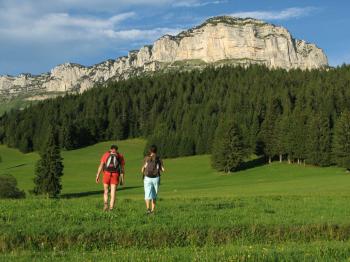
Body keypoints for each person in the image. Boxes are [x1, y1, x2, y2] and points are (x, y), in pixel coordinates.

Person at [96, 145, 125, 211]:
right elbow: (122, 169)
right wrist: (122, 179)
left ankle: (105, 205)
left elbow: (101, 165)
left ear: (110, 149)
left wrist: (97, 175)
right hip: (115, 175)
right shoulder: (120, 156)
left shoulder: (106, 154)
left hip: (106, 174)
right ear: (117, 150)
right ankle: (111, 208)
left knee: (106, 191)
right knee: (113, 192)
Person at [141, 145, 165, 214]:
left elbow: (142, 170)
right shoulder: (159, 159)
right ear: (156, 151)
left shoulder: (146, 158)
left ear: (150, 151)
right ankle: (153, 210)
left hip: (147, 178)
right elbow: (163, 169)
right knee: (154, 194)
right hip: (156, 178)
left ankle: (148, 209)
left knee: (147, 194)